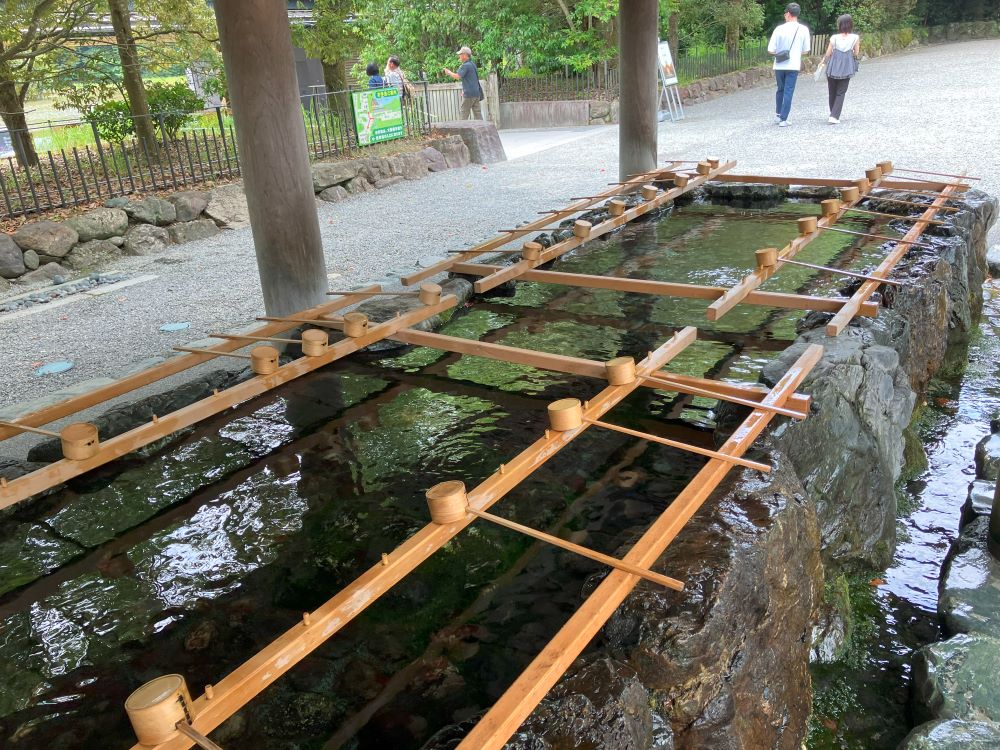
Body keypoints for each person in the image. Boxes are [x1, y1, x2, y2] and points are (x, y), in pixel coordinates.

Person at [767, 3, 810, 127]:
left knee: (780, 89)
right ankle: (784, 119)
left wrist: (781, 54)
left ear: (788, 14)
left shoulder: (779, 29)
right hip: (793, 65)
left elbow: (770, 49)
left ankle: (778, 114)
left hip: (779, 65)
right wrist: (795, 52)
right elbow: (806, 50)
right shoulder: (803, 29)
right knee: (788, 91)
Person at [823, 14, 861, 124]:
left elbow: (828, 53)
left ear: (840, 25)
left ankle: (832, 113)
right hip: (846, 66)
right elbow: (856, 52)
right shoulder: (855, 37)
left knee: (832, 91)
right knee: (841, 92)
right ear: (850, 25)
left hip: (833, 66)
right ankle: (834, 116)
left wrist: (824, 62)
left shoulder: (834, 38)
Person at [443, 46, 483, 120]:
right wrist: (464, 90)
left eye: (460, 54)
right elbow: (472, 79)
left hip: (469, 94)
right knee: (478, 115)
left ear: (464, 55)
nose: (459, 56)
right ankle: (483, 130)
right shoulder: (472, 64)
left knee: (463, 114)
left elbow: (457, 76)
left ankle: (462, 131)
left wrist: (448, 72)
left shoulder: (465, 66)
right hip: (476, 93)